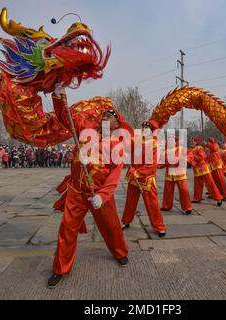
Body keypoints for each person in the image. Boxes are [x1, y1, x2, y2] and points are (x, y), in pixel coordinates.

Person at [47, 87, 131, 289]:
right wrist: (59, 96)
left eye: (110, 115)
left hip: (100, 194)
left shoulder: (116, 145)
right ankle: (60, 269)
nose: (105, 116)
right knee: (67, 229)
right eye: (103, 113)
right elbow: (64, 117)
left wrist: (102, 196)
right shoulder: (84, 130)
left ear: (117, 123)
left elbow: (114, 175)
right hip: (77, 191)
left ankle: (120, 252)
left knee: (111, 227)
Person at [121, 120, 166, 238]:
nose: (143, 129)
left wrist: (137, 172)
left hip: (147, 177)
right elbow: (125, 146)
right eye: (142, 127)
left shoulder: (154, 144)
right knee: (130, 201)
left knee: (152, 204)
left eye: (146, 127)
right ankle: (126, 221)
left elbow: (152, 165)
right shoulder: (135, 141)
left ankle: (159, 226)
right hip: (133, 176)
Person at [159, 136, 193, 215]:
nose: (171, 142)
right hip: (169, 174)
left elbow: (190, 154)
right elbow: (162, 163)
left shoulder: (181, 149)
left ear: (175, 141)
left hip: (180, 173)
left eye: (172, 140)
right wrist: (155, 165)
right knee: (168, 191)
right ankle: (166, 206)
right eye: (169, 141)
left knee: (184, 190)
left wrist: (185, 159)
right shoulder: (166, 152)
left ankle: (187, 207)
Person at [187, 137, 223, 206]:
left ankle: (218, 198)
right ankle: (197, 198)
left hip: (203, 169)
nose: (191, 143)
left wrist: (192, 159)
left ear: (196, 142)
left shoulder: (199, 148)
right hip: (197, 170)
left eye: (193, 141)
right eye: (190, 142)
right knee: (197, 185)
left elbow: (202, 157)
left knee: (210, 184)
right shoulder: (190, 150)